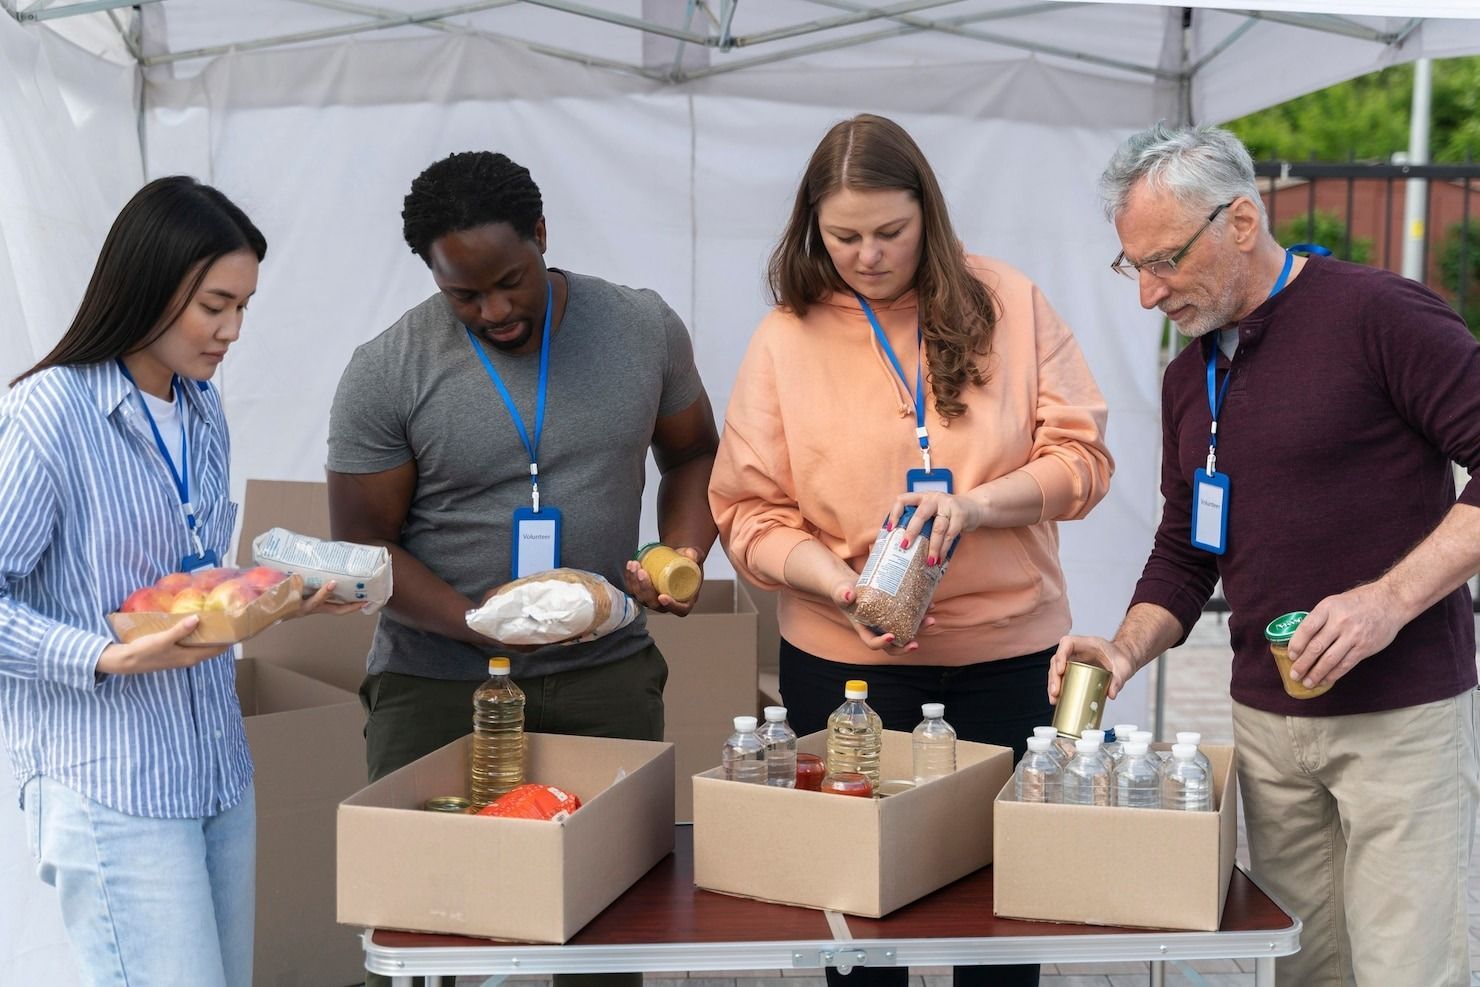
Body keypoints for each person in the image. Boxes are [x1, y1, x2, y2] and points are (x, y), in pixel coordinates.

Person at [1051, 123, 1480, 985]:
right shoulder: (1189, 377)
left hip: (1400, 720)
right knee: (1300, 968)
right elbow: (1186, 548)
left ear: (1241, 221)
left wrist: (1387, 601)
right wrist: (1123, 648)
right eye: (1132, 266)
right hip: (1269, 730)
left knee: (1410, 967)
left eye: (1163, 261)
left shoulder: (1381, 315)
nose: (1147, 294)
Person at [709, 113, 1112, 987]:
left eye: (890, 231)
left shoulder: (1005, 300)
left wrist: (977, 506)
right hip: (846, 664)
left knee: (1005, 908)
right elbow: (746, 512)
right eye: (843, 235)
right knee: (859, 916)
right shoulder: (787, 336)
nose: (868, 255)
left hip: (1010, 657)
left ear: (927, 212)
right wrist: (839, 583)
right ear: (810, 226)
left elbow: (1083, 461)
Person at [326, 151, 718, 984]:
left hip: (605, 676)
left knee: (613, 927)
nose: (496, 310)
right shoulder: (386, 370)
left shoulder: (641, 328)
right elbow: (365, 550)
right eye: (464, 294)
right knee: (425, 934)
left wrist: (681, 554)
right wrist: (477, 620)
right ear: (430, 273)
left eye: (512, 280)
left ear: (542, 235)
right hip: (435, 685)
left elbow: (694, 454)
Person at [0, 176, 357, 987]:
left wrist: (276, 597)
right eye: (214, 305)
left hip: (215, 768)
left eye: (244, 308)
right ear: (150, 286)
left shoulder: (200, 409)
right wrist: (99, 656)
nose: (232, 330)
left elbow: (191, 582)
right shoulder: (49, 413)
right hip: (110, 783)